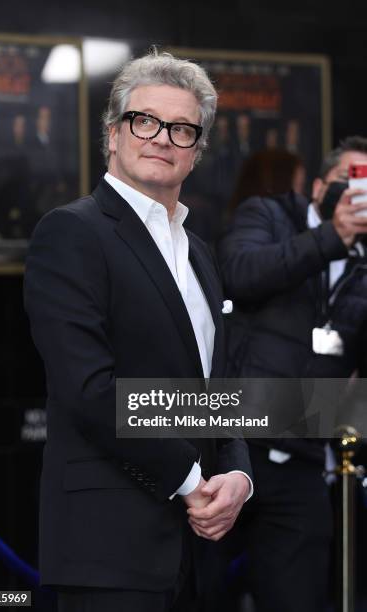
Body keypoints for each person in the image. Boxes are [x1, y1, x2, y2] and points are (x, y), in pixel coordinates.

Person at [24, 49, 253, 612]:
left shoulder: (199, 252)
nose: (161, 138)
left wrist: (238, 477)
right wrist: (191, 477)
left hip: (200, 548)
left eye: (181, 129)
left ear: (196, 153)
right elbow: (89, 389)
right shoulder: (71, 232)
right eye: (144, 121)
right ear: (113, 134)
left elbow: (216, 389)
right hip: (110, 543)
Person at [216, 136, 367, 612]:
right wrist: (331, 237)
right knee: (198, 592)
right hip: (227, 445)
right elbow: (239, 273)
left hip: (303, 457)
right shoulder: (269, 214)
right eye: (353, 180)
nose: (358, 197)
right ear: (320, 185)